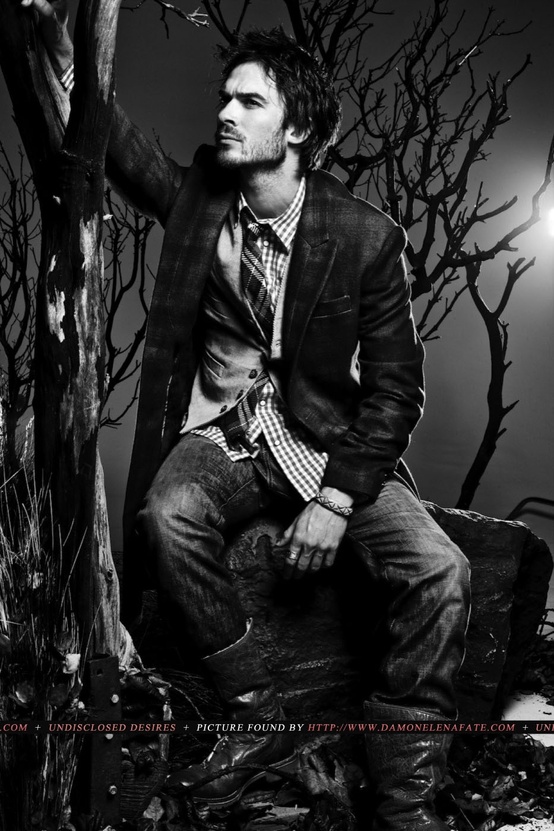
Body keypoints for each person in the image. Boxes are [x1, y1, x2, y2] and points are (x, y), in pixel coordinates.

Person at [27, 2, 471, 827]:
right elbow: (119, 143)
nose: (225, 113)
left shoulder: (366, 237)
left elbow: (396, 390)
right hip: (227, 433)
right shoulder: (200, 198)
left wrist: (336, 500)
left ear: (296, 128)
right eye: (224, 97)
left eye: (250, 101)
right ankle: (258, 715)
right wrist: (61, 49)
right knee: (167, 517)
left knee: (442, 571)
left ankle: (405, 795)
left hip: (328, 443)